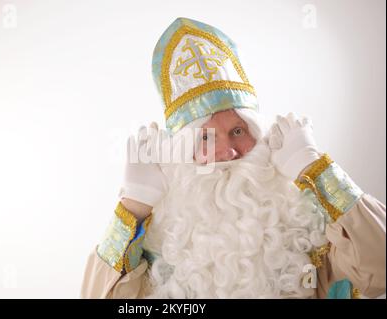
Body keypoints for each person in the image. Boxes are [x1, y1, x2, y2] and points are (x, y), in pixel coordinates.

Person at [80, 17, 386, 299]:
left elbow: (381, 268)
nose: (229, 152)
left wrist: (316, 169)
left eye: (238, 131)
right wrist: (134, 205)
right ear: (185, 154)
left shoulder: (307, 229)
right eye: (206, 137)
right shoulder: (159, 242)